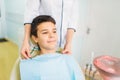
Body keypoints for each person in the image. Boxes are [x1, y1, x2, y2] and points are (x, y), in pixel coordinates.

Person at [20, 15, 85, 80]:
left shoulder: (69, 60)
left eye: (54, 31)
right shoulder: (28, 66)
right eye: (45, 32)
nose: (52, 36)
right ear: (35, 38)